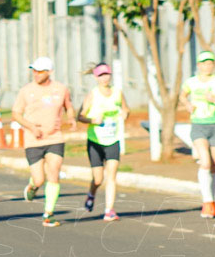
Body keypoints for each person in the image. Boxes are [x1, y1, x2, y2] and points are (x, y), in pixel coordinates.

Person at [11, 56, 77, 227]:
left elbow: (68, 106)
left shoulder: (61, 89)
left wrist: (71, 118)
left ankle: (48, 214)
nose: (36, 74)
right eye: (34, 70)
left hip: (55, 138)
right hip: (33, 140)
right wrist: (31, 127)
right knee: (39, 179)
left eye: (40, 71)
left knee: (54, 172)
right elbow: (16, 114)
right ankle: (33, 186)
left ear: (49, 72)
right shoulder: (26, 90)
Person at [180, 50, 215, 219]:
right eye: (204, 63)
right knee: (205, 162)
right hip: (198, 125)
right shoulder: (191, 82)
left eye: (210, 63)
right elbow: (182, 96)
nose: (207, 66)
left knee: (214, 164)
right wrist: (188, 104)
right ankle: (207, 202)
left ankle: (212, 202)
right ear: (199, 65)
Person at [77, 63, 130, 221]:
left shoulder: (117, 93)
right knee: (98, 178)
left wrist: (125, 114)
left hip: (113, 140)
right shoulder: (93, 95)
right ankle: (91, 194)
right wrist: (93, 120)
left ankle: (109, 210)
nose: (105, 78)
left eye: (107, 74)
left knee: (112, 175)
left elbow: (126, 108)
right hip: (95, 141)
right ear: (96, 77)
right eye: (101, 75)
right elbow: (80, 116)